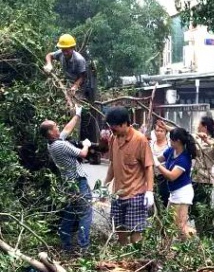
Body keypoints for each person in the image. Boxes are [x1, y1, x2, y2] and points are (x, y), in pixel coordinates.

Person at [39, 106, 93, 254]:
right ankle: (84, 247)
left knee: (69, 214)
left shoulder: (52, 144)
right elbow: (82, 154)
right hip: (77, 182)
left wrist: (77, 114)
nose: (58, 128)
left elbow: (67, 130)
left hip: (67, 184)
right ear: (50, 132)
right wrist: (86, 145)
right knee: (86, 213)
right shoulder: (61, 145)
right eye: (55, 126)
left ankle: (66, 246)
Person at [103, 107, 154, 245]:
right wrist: (104, 186)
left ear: (125, 124)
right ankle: (125, 261)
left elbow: (149, 166)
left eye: (115, 128)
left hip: (135, 194)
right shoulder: (113, 139)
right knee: (120, 231)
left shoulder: (140, 140)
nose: (112, 131)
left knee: (135, 233)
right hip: (118, 194)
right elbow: (112, 166)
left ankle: (139, 260)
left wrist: (149, 191)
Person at [154, 128, 197, 237]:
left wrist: (158, 166)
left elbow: (171, 176)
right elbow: (159, 159)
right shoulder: (171, 151)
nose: (170, 142)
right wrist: (152, 158)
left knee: (180, 226)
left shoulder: (184, 158)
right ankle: (167, 250)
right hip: (174, 193)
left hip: (183, 193)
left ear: (177, 141)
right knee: (168, 224)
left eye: (171, 140)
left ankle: (193, 248)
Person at [190, 116, 214, 236]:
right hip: (194, 178)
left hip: (204, 179)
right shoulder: (196, 138)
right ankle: (204, 232)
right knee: (196, 208)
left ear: (204, 126)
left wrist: (207, 141)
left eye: (199, 124)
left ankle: (208, 232)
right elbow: (182, 134)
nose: (197, 126)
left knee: (201, 207)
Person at [150, 120, 171, 208]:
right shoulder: (150, 144)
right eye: (157, 131)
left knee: (164, 203)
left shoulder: (170, 145)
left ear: (166, 132)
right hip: (153, 177)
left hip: (166, 178)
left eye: (161, 131)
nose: (159, 133)